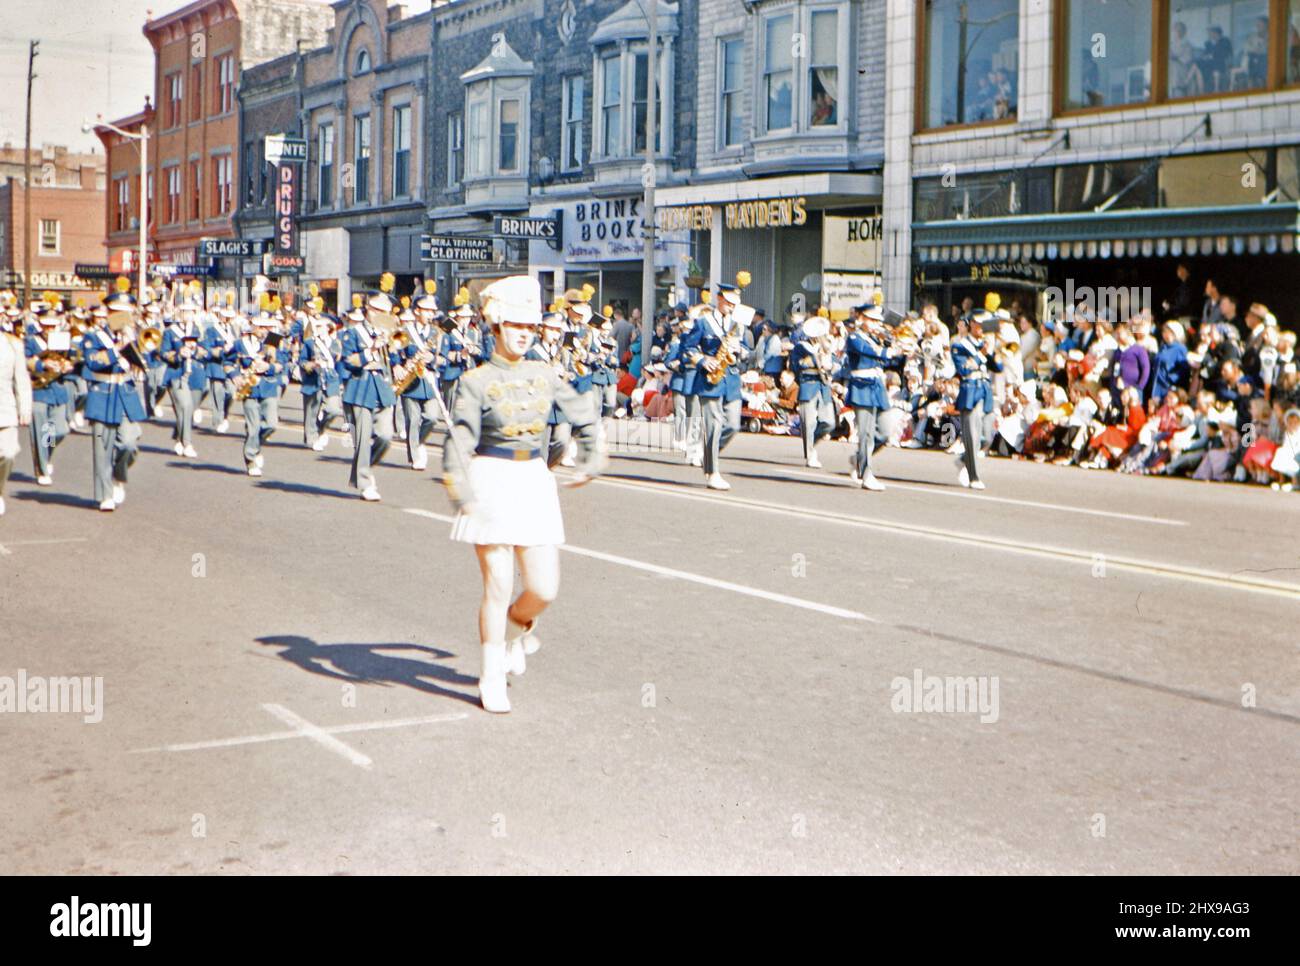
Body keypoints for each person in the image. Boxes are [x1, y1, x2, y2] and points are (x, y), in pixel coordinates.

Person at [442, 275, 605, 714]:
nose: (523, 335)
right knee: (497, 584)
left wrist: (592, 453)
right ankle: (491, 674)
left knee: (544, 588)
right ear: (495, 327)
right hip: (491, 478)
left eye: (530, 329)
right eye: (514, 326)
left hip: (533, 479)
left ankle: (515, 632)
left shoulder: (545, 373)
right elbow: (460, 439)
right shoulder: (475, 381)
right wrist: (461, 489)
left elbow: (582, 412)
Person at [82, 280, 147, 512]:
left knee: (129, 443)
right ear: (109, 314)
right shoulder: (94, 337)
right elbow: (92, 362)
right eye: (118, 313)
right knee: (102, 448)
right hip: (102, 394)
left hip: (126, 394)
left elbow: (146, 362)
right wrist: (116, 349)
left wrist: (136, 350)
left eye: (126, 313)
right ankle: (104, 495)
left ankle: (119, 475)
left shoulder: (136, 336)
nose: (123, 318)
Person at [679, 280, 748, 489]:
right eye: (728, 302)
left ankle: (708, 452)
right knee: (714, 424)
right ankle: (712, 472)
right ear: (719, 299)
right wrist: (702, 360)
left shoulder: (738, 325)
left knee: (733, 424)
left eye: (734, 303)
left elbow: (747, 351)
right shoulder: (704, 322)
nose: (731, 307)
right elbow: (687, 349)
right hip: (709, 378)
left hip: (731, 378)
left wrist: (740, 351)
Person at [339, 277, 400, 502]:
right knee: (363, 439)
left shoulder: (388, 332)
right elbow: (348, 361)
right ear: (367, 309)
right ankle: (365, 481)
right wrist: (370, 351)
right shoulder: (353, 333)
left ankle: (365, 468)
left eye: (385, 311)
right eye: (376, 309)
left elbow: (394, 358)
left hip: (382, 387)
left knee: (385, 436)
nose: (380, 314)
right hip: (361, 385)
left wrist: (398, 361)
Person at [843, 304, 902, 490]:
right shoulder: (854, 337)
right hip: (862, 388)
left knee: (885, 431)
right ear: (861, 319)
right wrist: (888, 351)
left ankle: (859, 458)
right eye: (873, 320)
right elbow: (868, 352)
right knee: (866, 434)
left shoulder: (875, 338)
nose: (876, 324)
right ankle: (866, 474)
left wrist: (898, 347)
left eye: (878, 321)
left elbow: (893, 360)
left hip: (877, 387)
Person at [396, 282, 443, 471]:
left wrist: (434, 358)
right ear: (416, 311)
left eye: (433, 311)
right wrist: (398, 366)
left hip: (428, 382)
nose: (430, 314)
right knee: (413, 420)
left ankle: (418, 442)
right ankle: (415, 455)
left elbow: (443, 358)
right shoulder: (405, 331)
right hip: (410, 382)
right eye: (426, 310)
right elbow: (394, 354)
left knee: (432, 417)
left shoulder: (436, 333)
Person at [234, 312, 284, 477]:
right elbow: (228, 362)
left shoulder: (274, 341)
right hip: (249, 388)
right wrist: (235, 377)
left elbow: (282, 364)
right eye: (260, 326)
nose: (264, 330)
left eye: (266, 326)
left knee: (272, 424)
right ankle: (250, 458)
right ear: (252, 326)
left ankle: (255, 446)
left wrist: (268, 368)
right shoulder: (240, 343)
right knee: (253, 426)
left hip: (268, 386)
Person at [789, 312, 836, 468]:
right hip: (808, 385)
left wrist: (830, 364)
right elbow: (795, 366)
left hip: (823, 386)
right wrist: (810, 361)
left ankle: (812, 443)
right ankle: (810, 454)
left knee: (829, 422)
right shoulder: (801, 347)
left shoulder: (826, 347)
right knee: (808, 423)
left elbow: (834, 365)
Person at [0, 311, 32, 517]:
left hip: (6, 408)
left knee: (9, 453)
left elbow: (22, 378)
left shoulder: (13, 344)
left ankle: (46, 460)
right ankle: (44, 461)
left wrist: (25, 407)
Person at [300, 313, 344, 452]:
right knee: (311, 411)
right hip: (314, 377)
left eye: (320, 326)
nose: (317, 328)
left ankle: (321, 428)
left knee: (334, 409)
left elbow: (339, 364)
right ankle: (312, 439)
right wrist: (311, 365)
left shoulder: (336, 343)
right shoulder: (309, 342)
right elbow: (302, 361)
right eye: (316, 326)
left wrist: (341, 381)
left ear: (328, 328)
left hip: (331, 377)